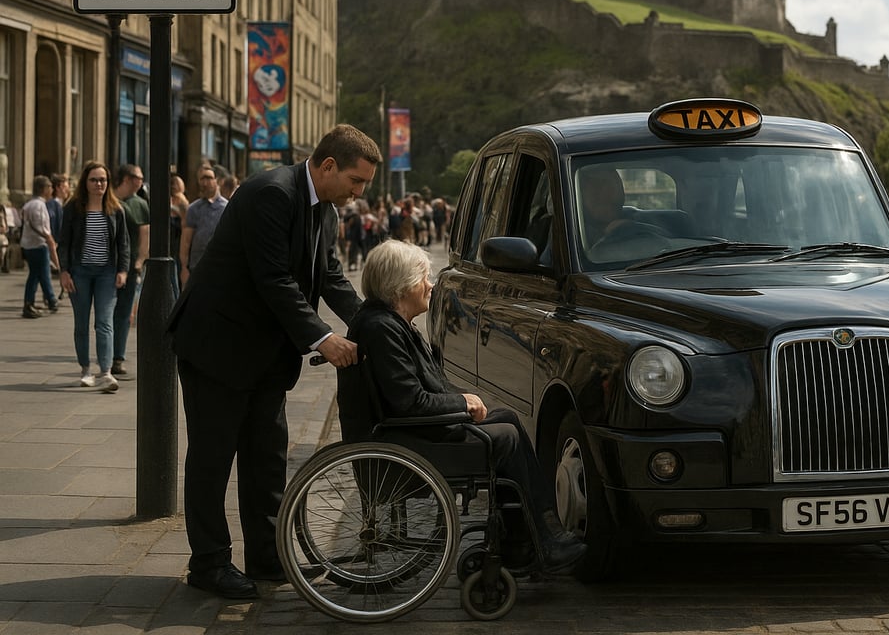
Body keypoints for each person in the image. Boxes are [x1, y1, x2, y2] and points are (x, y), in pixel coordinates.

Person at [167, 124, 380, 600]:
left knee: (266, 459)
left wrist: (376, 322)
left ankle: (266, 556)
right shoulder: (271, 193)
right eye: (355, 181)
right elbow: (274, 279)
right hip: (217, 347)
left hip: (263, 353)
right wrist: (324, 338)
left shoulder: (325, 209)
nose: (358, 193)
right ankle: (208, 563)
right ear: (328, 166)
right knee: (213, 458)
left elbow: (328, 275)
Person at [339, 239, 587, 574]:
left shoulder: (387, 323)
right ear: (402, 286)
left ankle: (529, 537)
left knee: (508, 419)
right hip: (404, 441)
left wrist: (464, 401)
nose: (430, 285)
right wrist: (462, 402)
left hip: (407, 432)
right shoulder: (382, 329)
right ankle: (540, 538)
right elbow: (409, 402)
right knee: (506, 438)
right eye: (423, 278)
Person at [58, 161, 130, 392]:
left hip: (106, 273)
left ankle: (106, 372)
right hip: (79, 272)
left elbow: (123, 243)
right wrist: (64, 271)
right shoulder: (73, 208)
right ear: (85, 183)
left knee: (104, 323)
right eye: (94, 180)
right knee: (81, 324)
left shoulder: (116, 209)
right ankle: (86, 370)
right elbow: (64, 243)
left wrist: (122, 270)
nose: (99, 184)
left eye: (103, 180)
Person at [111, 164, 149, 377]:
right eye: (138, 177)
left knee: (124, 313)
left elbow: (146, 234)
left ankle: (118, 357)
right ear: (126, 178)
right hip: (105, 265)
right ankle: (107, 354)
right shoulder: (109, 200)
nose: (141, 181)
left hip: (129, 265)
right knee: (105, 313)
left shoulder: (140, 204)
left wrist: (140, 261)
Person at [178, 165, 228, 287]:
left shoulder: (227, 208)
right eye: (201, 179)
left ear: (217, 181)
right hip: (197, 266)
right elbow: (186, 240)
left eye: (209, 178)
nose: (205, 183)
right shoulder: (193, 209)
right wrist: (184, 268)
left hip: (220, 266)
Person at [20, 176, 59, 318]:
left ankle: (29, 302)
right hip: (38, 244)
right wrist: (48, 237)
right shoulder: (39, 205)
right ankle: (51, 299)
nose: (52, 190)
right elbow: (39, 225)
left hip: (29, 244)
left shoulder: (29, 204)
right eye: (50, 187)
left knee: (35, 274)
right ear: (43, 189)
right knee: (43, 273)